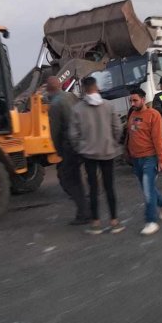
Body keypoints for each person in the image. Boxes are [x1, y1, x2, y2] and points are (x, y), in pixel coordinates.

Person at [70, 77, 124, 235]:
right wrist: (112, 142)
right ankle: (114, 221)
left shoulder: (77, 109)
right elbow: (118, 128)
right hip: (107, 152)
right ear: (96, 87)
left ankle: (96, 223)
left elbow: (73, 135)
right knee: (109, 187)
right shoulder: (108, 105)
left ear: (84, 89)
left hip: (89, 154)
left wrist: (81, 147)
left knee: (93, 188)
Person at [46, 76, 90, 225]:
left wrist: (58, 151)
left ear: (48, 89)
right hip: (82, 141)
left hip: (68, 146)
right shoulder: (71, 96)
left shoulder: (55, 105)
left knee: (68, 179)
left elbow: (54, 131)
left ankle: (84, 212)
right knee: (78, 176)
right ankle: (87, 208)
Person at [127, 88, 162, 235]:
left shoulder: (153, 115)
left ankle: (151, 221)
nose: (132, 103)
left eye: (135, 100)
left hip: (150, 158)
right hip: (136, 159)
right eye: (131, 100)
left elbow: (158, 139)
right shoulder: (132, 114)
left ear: (143, 100)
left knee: (147, 189)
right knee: (148, 188)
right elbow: (131, 135)